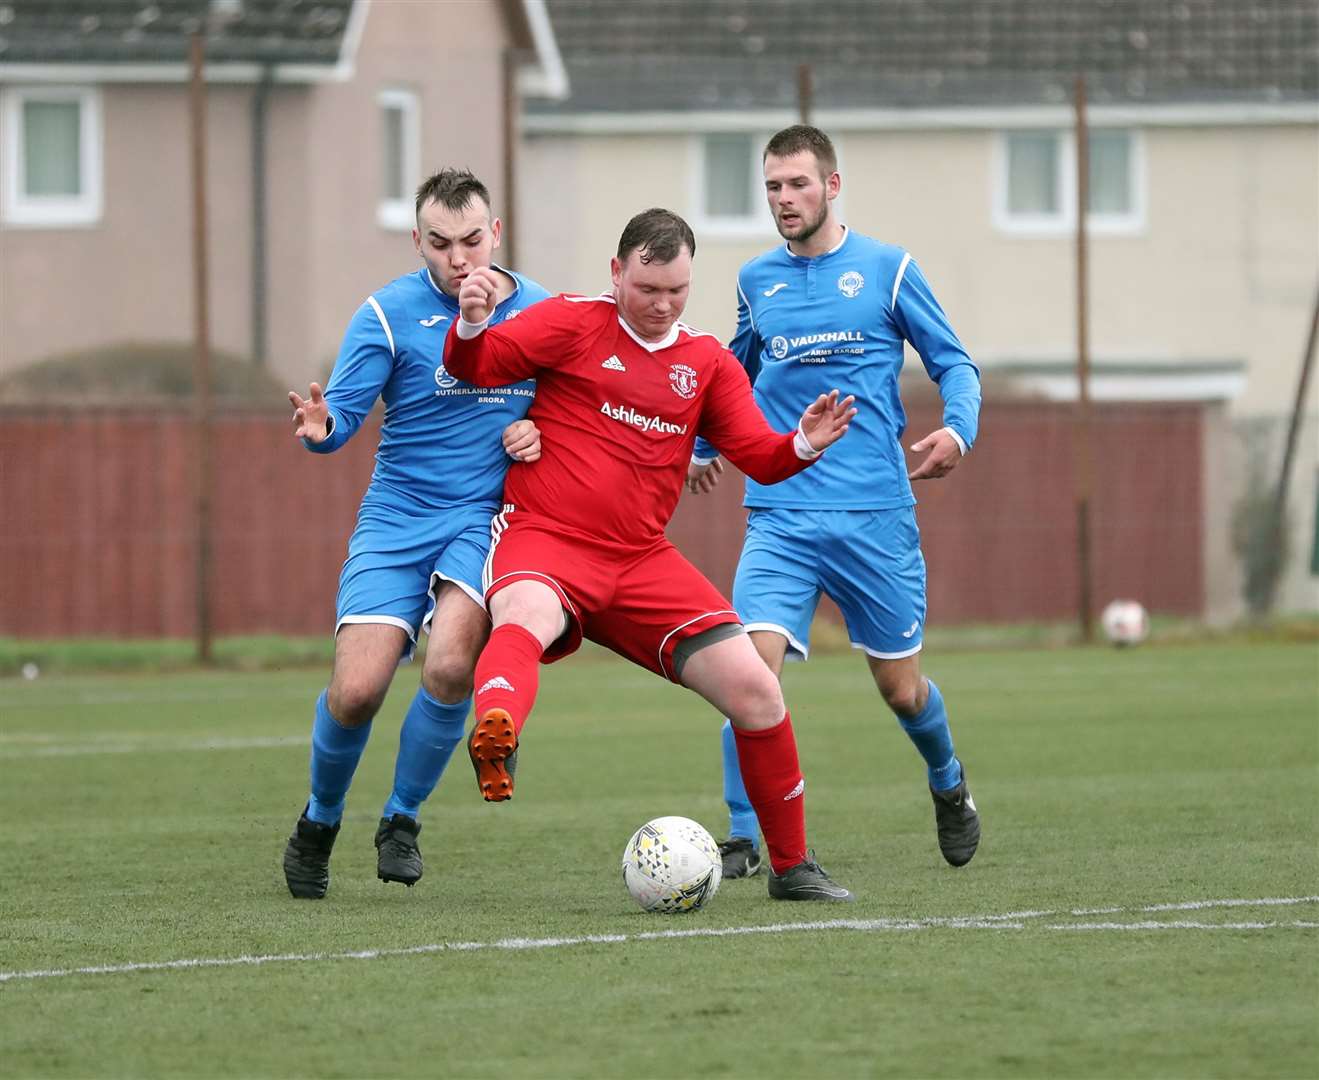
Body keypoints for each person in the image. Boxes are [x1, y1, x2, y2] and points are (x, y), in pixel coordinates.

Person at [443, 208, 859, 902]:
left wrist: (804, 443)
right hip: (546, 536)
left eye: (677, 291)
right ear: (616, 274)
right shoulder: (572, 321)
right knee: (524, 611)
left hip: (639, 561)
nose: (662, 305)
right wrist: (471, 320)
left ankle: (791, 867)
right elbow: (475, 364)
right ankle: (498, 731)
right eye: (647, 289)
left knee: (758, 691)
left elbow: (757, 453)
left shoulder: (707, 364)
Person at [687, 125, 983, 880]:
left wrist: (957, 430)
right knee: (746, 677)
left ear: (832, 185)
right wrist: (701, 445)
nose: (784, 200)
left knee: (900, 688)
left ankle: (948, 782)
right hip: (781, 513)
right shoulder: (758, 280)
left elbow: (954, 362)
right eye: (772, 188)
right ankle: (745, 834)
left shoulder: (887, 270)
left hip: (873, 516)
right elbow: (733, 371)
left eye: (797, 184)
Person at [281, 168, 551, 899]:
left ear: (495, 234)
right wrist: (320, 427)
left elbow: (574, 410)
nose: (459, 259)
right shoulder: (385, 314)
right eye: (440, 243)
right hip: (398, 515)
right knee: (358, 689)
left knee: (446, 667)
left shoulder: (541, 314)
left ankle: (400, 820)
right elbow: (336, 419)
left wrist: (536, 431)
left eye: (471, 240)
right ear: (417, 242)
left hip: (486, 519)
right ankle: (319, 820)